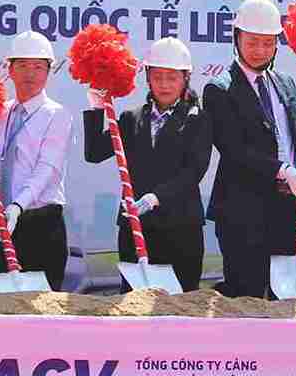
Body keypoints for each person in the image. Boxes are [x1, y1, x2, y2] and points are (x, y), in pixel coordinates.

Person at [203, 0, 296, 298]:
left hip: (292, 209)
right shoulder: (219, 89)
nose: (260, 51)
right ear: (237, 38)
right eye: (253, 42)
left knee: (294, 302)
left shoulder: (285, 83)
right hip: (245, 214)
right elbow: (233, 148)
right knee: (249, 300)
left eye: (268, 43)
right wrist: (282, 170)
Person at [84, 36, 214, 292]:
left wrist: (156, 197)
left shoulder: (198, 119)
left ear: (185, 79)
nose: (164, 85)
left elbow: (194, 171)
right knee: (133, 304)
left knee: (181, 304)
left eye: (172, 77)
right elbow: (95, 153)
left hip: (181, 228)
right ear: (147, 77)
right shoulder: (130, 118)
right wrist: (96, 109)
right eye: (157, 77)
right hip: (135, 228)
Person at [0, 31, 72, 291]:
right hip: (0, 220)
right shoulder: (0, 111)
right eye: (22, 66)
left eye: (38, 67)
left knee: (38, 312)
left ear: (49, 71)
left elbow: (49, 168)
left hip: (40, 223)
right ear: (9, 69)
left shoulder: (57, 115)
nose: (30, 74)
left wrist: (17, 206)